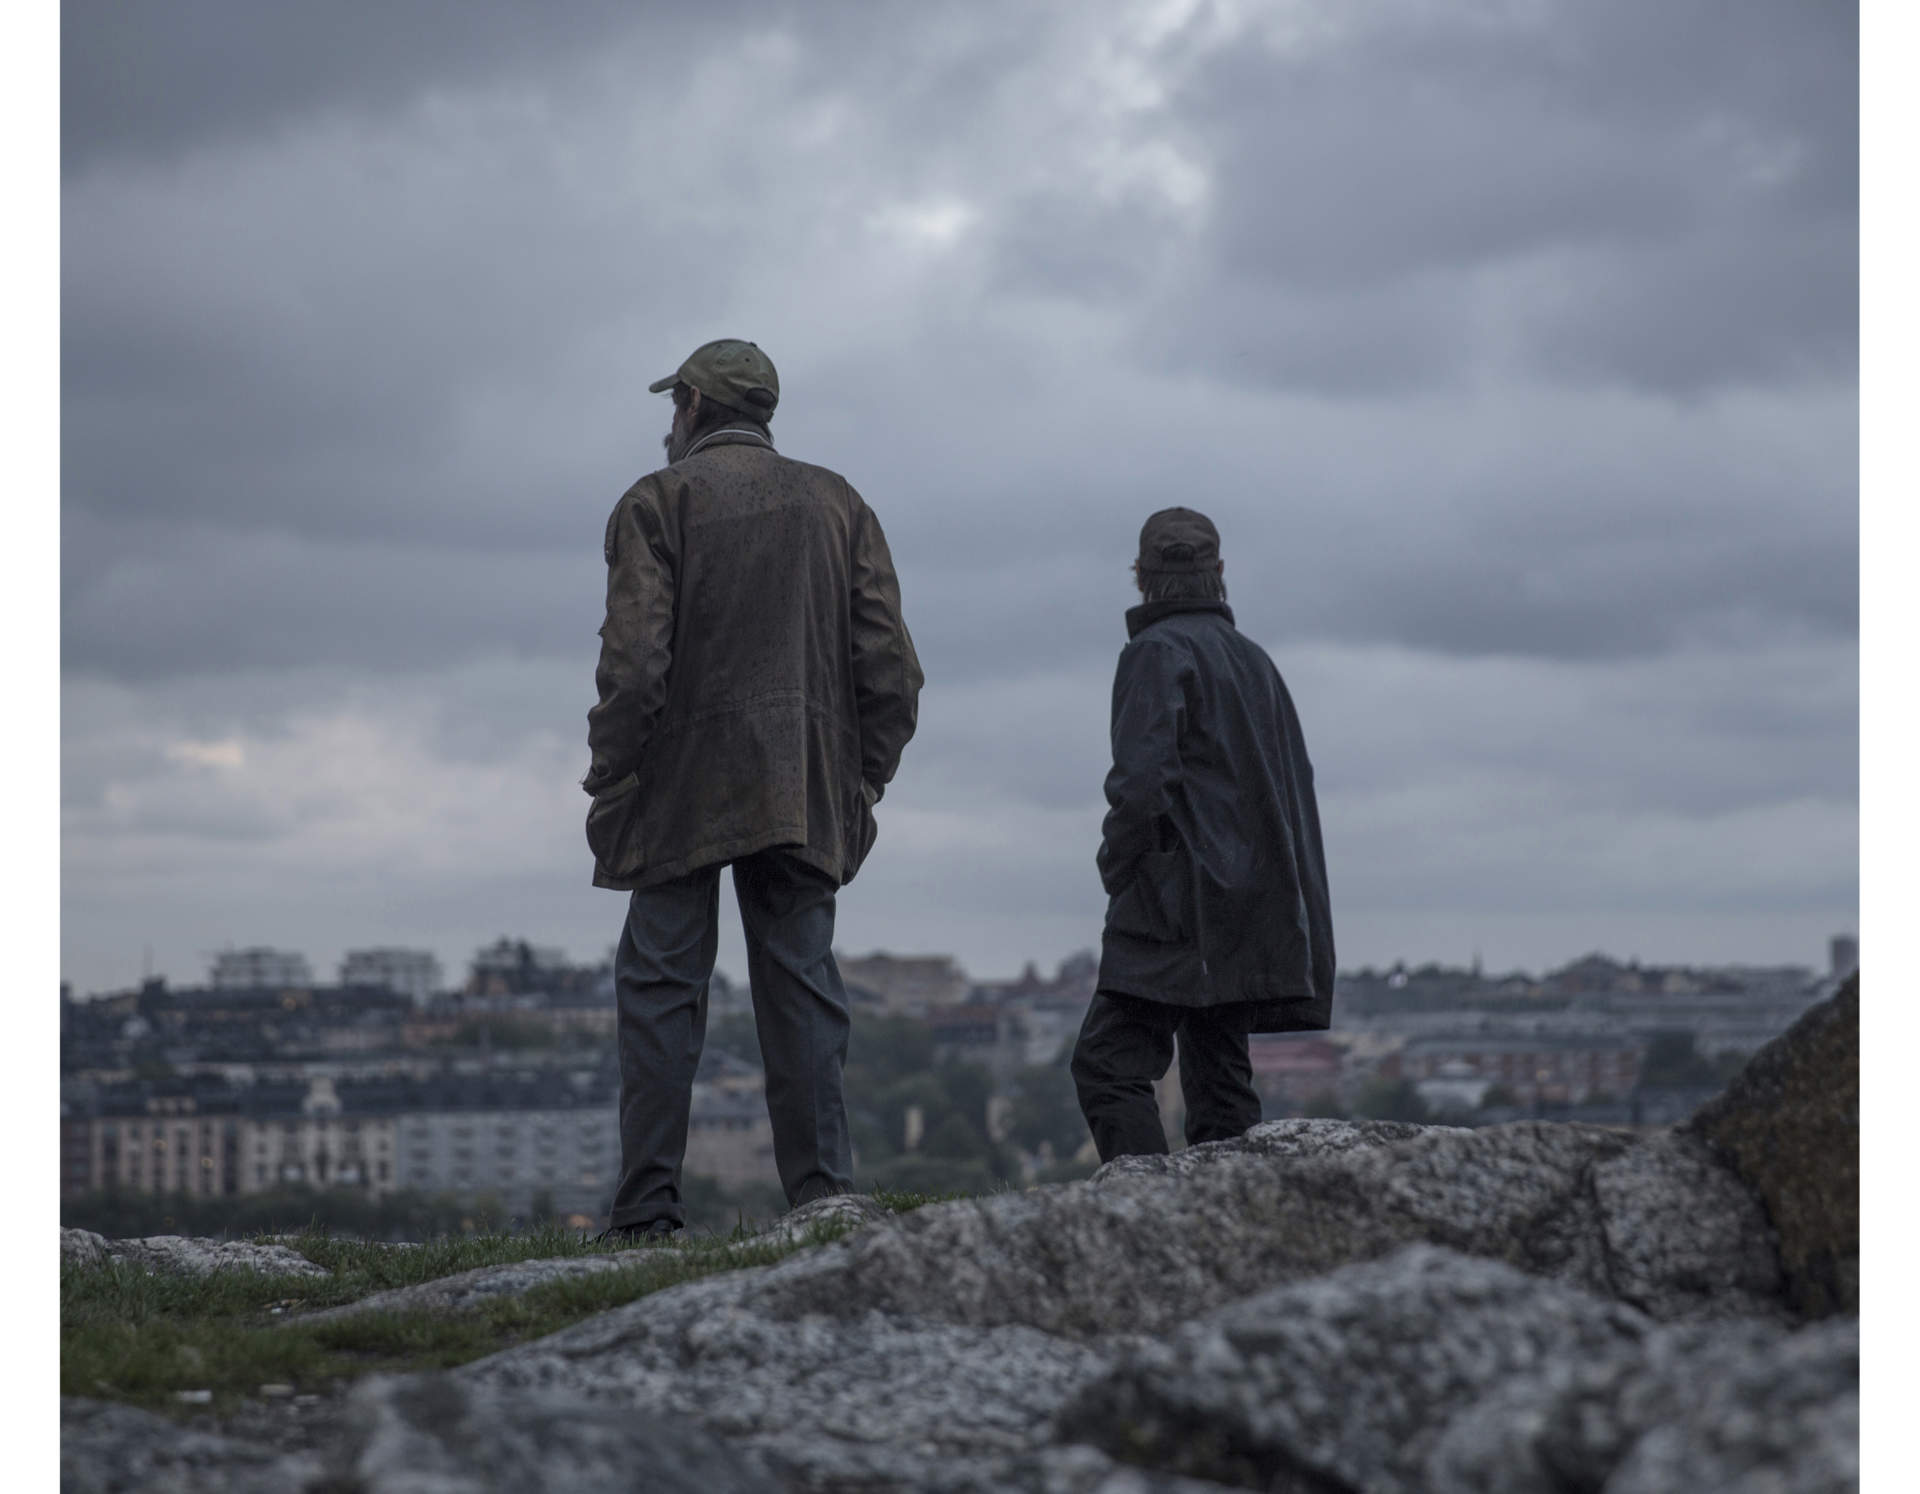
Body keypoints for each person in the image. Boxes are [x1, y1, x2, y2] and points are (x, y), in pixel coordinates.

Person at [583, 338, 922, 1238]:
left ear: (693, 405)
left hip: (675, 785)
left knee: (660, 993)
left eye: (673, 407)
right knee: (802, 990)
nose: (668, 424)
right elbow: (890, 668)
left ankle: (648, 1213)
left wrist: (611, 771)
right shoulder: (838, 503)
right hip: (801, 782)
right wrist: (862, 778)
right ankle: (823, 1202)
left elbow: (633, 666)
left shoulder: (657, 502)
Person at [1070, 507, 1334, 1161]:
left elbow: (1140, 786)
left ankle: (1145, 1220)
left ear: (1141, 576)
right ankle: (1234, 1230)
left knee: (1108, 1064)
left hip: (1181, 909)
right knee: (1220, 1087)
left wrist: (1116, 866)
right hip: (1258, 908)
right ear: (1219, 573)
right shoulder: (1255, 662)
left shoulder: (1155, 653)